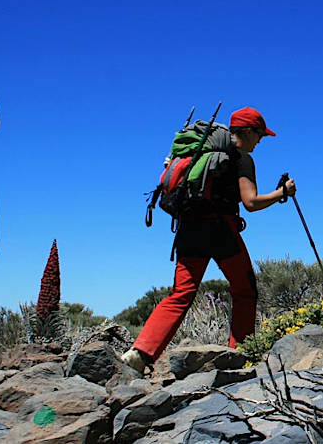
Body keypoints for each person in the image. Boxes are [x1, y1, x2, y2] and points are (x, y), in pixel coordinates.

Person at [120, 107, 296, 373]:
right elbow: (250, 202)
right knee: (245, 290)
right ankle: (242, 354)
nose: (260, 141)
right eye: (259, 135)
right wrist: (281, 192)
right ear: (247, 132)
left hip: (188, 229)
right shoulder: (240, 158)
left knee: (181, 294)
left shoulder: (195, 154)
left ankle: (140, 353)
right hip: (221, 230)